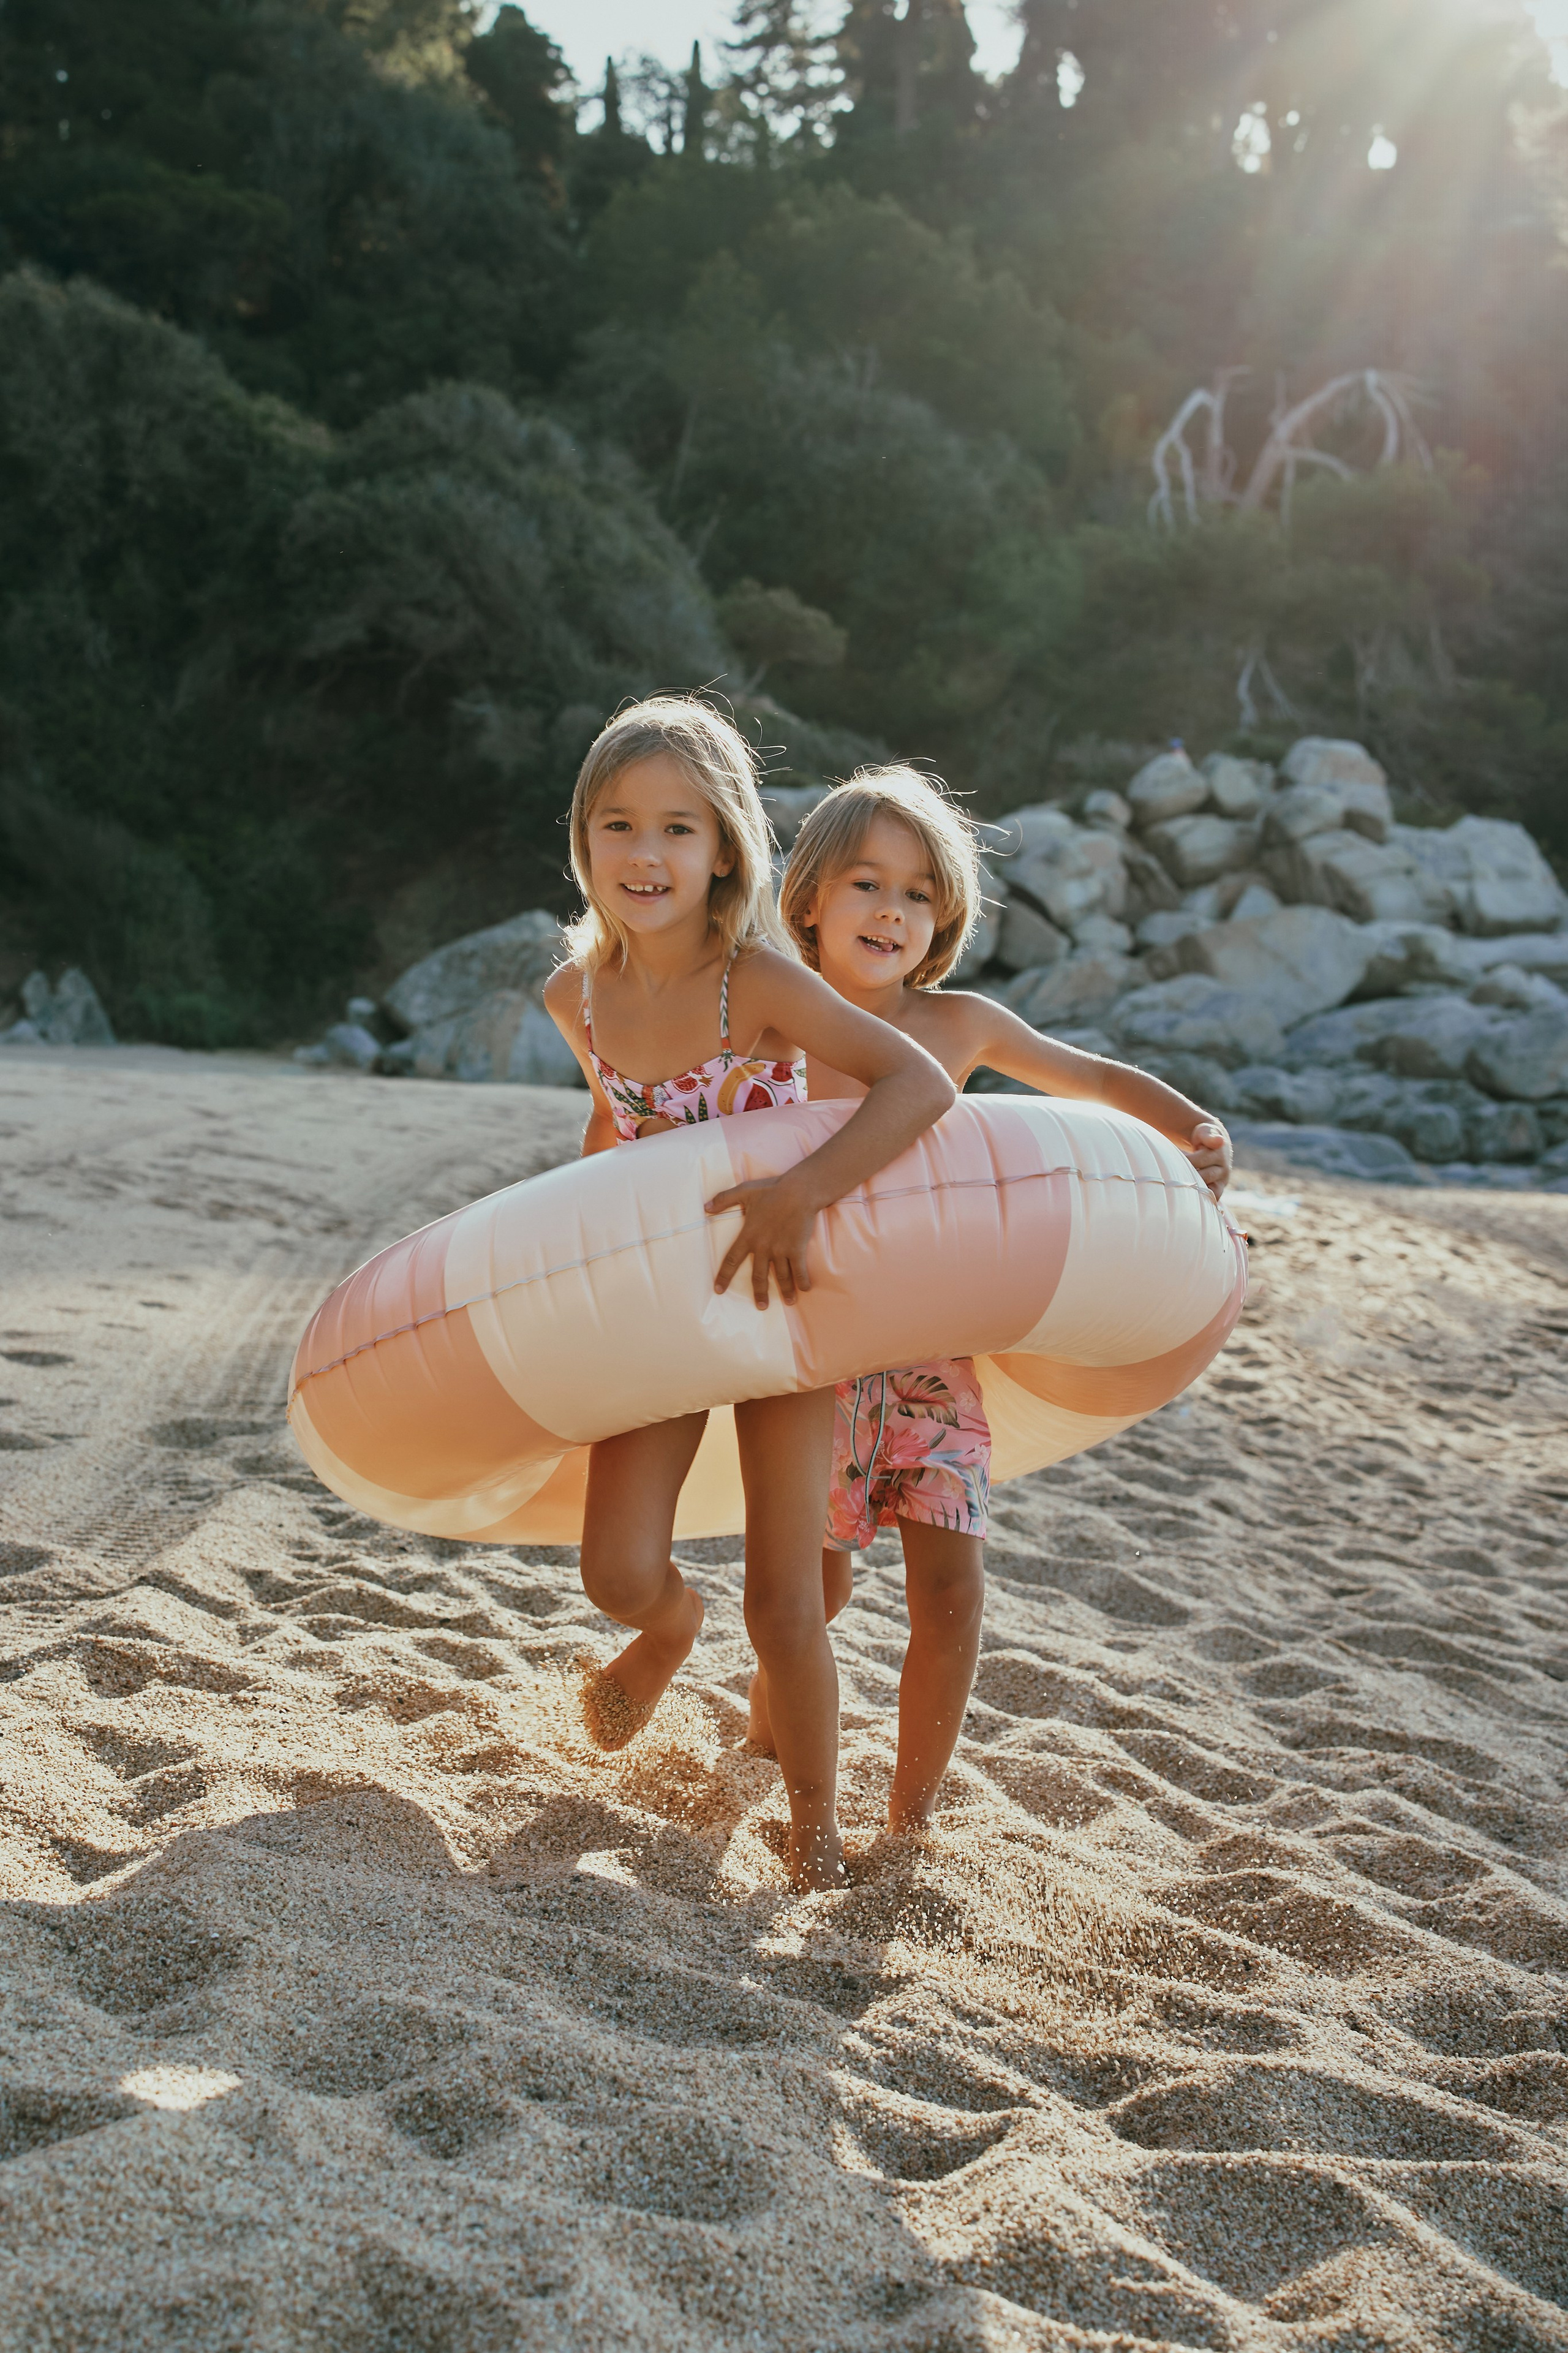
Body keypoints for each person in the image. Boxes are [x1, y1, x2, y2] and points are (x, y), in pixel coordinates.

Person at [770, 765, 1233, 1832]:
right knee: (817, 1596)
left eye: (920, 893)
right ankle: (772, 1729)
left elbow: (1099, 1084)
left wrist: (1196, 1130)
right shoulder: (777, 1028)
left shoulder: (960, 1025)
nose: (891, 910)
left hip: (935, 1362)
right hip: (813, 1360)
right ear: (810, 901)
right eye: (866, 884)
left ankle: (912, 1816)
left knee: (951, 1593)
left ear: (943, 920)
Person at [541, 701, 954, 1890]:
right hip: (664, 1312)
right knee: (614, 1569)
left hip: (775, 1308)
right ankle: (668, 1630)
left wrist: (801, 1193)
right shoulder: (575, 996)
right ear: (584, 841)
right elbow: (606, 1126)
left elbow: (913, 1082)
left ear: (724, 847)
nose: (645, 853)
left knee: (785, 1596)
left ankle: (812, 1829)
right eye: (616, 824)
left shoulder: (757, 983)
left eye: (677, 826)